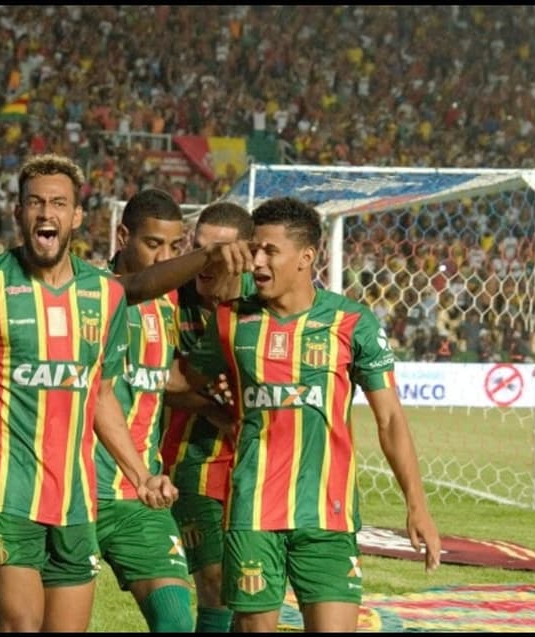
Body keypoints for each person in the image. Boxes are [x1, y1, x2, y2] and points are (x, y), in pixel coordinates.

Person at [0, 153, 179, 633]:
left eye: (58, 203)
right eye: (34, 202)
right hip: (1, 491)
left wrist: (139, 474)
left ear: (76, 216)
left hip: (77, 500)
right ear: (18, 213)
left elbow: (101, 396)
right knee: (21, 625)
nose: (45, 213)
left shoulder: (106, 295)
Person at [178, 197, 441, 632]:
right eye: (254, 249)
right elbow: (180, 380)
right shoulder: (230, 320)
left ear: (306, 258)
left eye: (270, 251)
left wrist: (417, 506)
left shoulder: (351, 322)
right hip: (251, 513)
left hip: (328, 516)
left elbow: (390, 419)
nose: (257, 262)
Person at [95, 188, 194, 632]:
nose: (165, 257)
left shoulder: (170, 304)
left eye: (175, 248)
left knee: (175, 621)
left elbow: (159, 376)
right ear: (123, 236)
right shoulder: (92, 290)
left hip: (140, 499)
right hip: (75, 493)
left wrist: (214, 393)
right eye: (153, 244)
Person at [159, 201, 256, 633]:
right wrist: (214, 408)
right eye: (199, 249)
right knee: (213, 579)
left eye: (218, 251)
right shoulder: (169, 297)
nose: (206, 260)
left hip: (256, 462)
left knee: (250, 586)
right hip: (193, 458)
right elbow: (164, 380)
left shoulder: (261, 298)